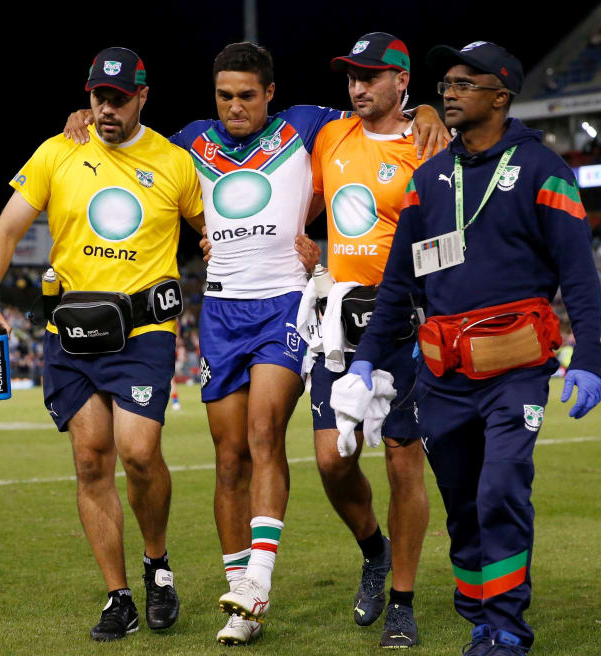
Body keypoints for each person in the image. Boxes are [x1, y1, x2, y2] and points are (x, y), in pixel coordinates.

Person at [65, 41, 445, 646]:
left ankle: (257, 586)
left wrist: (427, 110)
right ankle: (241, 597)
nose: (235, 106)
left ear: (270, 93)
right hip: (220, 309)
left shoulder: (307, 125)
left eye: (247, 95)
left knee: (265, 432)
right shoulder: (188, 140)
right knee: (228, 455)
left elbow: (381, 120)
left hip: (287, 306)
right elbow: (137, 154)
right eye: (224, 96)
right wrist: (87, 119)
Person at [341, 41, 601, 655]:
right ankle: (479, 614)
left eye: (465, 82)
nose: (449, 91)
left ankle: (508, 629)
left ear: (500, 96)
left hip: (515, 371)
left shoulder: (544, 169)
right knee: (462, 505)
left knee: (501, 490)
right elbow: (399, 283)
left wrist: (588, 359)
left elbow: (580, 276)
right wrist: (363, 362)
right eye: (446, 83)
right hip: (441, 377)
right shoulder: (427, 179)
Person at [0, 47, 204, 644]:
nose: (106, 108)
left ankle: (158, 567)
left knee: (139, 451)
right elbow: (3, 231)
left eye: (119, 99)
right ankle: (117, 596)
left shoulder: (175, 163)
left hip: (144, 331)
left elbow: (215, 232)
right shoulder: (58, 151)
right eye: (98, 96)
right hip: (70, 333)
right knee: (90, 459)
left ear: (143, 98)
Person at [298, 32, 446, 649]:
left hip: (405, 326)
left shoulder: (430, 147)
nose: (358, 87)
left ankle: (404, 603)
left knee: (403, 462)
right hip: (337, 324)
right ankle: (373, 552)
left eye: (371, 76)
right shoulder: (330, 136)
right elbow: (259, 144)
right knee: (333, 460)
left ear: (402, 81)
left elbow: (451, 242)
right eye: (352, 77)